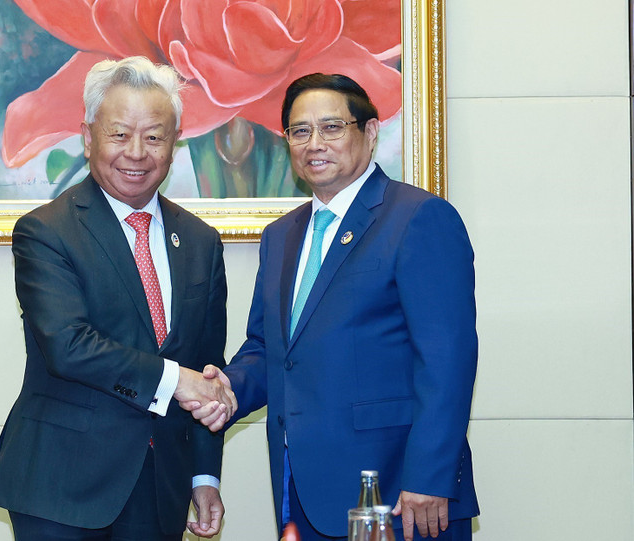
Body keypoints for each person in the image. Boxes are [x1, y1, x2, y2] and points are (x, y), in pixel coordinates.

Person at [190, 73, 479, 540]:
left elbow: (447, 359)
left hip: (397, 493)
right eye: (300, 131)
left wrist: (429, 475)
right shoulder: (281, 236)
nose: (314, 143)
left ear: (369, 132)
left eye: (331, 127)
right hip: (300, 487)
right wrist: (227, 389)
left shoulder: (418, 217)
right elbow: (271, 349)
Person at [0, 56, 236, 541]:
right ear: (87, 136)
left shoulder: (201, 241)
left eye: (154, 136)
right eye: (120, 134)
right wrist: (174, 380)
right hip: (62, 488)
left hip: (161, 487)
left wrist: (204, 476)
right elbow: (68, 345)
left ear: (175, 142)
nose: (137, 153)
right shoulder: (46, 231)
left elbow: (207, 368)